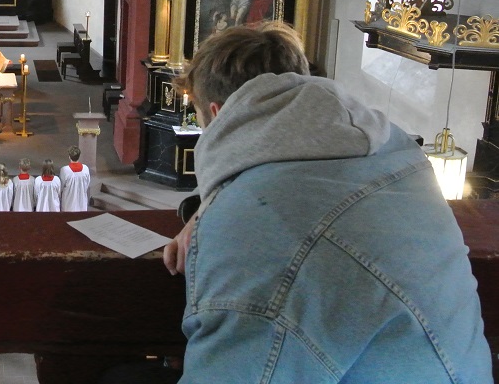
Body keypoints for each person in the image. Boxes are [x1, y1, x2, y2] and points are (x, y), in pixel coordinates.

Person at [162, 22, 491, 381]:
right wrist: (208, 206)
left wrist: (224, 215)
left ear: (217, 112)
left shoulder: (253, 228)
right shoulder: (398, 153)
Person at [59, 145, 91, 212]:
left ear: (69, 157)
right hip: (81, 201)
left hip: (68, 202)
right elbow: (87, 184)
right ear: (79, 156)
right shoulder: (85, 168)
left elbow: (61, 187)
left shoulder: (64, 170)